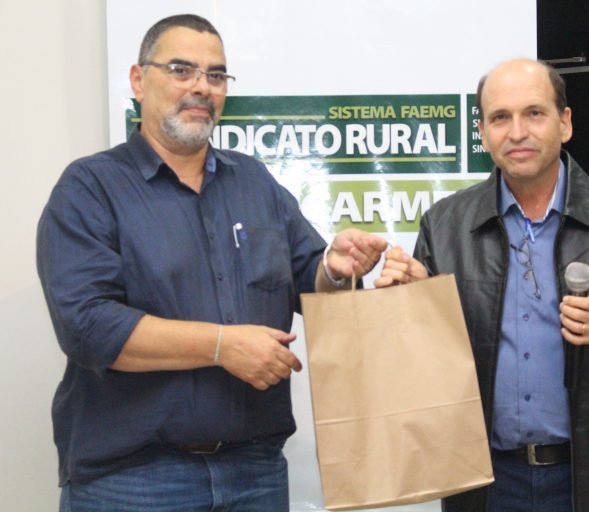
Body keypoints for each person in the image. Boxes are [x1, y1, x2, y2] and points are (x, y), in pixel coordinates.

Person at [37, 14, 387, 512]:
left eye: (216, 75)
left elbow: (313, 284)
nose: (201, 87)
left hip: (256, 473)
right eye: (181, 70)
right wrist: (222, 346)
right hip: (133, 480)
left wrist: (337, 268)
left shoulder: (255, 182)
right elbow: (88, 327)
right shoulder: (90, 187)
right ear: (138, 80)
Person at [376, 58, 589, 512]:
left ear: (564, 123)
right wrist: (411, 305)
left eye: (534, 113)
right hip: (485, 482)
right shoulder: (444, 225)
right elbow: (420, 365)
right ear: (483, 132)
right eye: (500, 118)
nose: (517, 132)